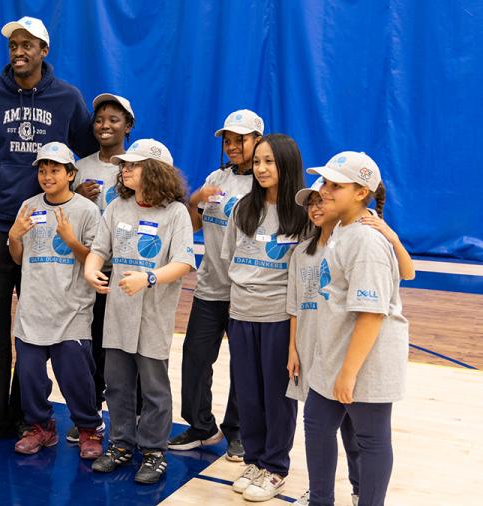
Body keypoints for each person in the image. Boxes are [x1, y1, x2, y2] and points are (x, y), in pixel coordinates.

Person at [0, 16, 98, 445]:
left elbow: (86, 154)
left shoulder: (67, 98)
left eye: (27, 44)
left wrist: (92, 188)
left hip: (50, 230)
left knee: (38, 329)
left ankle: (28, 417)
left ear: (43, 51)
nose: (19, 51)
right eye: (14, 44)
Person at [290, 176, 414, 506]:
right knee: (317, 424)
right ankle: (321, 499)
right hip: (332, 350)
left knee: (368, 438)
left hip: (361, 358)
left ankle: (365, 496)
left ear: (360, 193)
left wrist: (348, 372)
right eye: (322, 188)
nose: (324, 195)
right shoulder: (337, 236)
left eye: (333, 188)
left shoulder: (367, 238)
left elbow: (374, 311)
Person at [85, 139, 196, 484]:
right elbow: (99, 249)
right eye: (124, 165)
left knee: (154, 389)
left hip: (153, 316)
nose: (125, 169)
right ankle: (120, 444)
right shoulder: (118, 206)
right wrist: (92, 269)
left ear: (156, 170)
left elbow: (183, 262)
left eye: (133, 164)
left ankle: (153, 451)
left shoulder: (175, 213)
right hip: (118, 314)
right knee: (117, 385)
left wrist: (149, 278)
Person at [169, 109, 264, 460]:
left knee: (243, 366)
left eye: (240, 139)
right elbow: (193, 224)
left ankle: (237, 430)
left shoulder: (264, 181)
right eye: (228, 139)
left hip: (247, 291)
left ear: (257, 140)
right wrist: (194, 199)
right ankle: (201, 427)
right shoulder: (216, 177)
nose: (232, 145)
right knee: (195, 357)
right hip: (210, 286)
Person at [221, 133, 309, 501]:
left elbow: (306, 272)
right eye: (257, 161)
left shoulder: (303, 214)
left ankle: (275, 467)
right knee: (248, 395)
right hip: (241, 313)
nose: (260, 168)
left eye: (269, 161)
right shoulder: (243, 208)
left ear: (286, 164)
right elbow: (230, 257)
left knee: (277, 396)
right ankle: (255, 460)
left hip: (278, 318)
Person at [8, 142, 103, 459]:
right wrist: (14, 237)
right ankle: (41, 428)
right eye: (43, 171)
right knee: (30, 377)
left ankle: (89, 428)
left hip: (71, 311)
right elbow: (19, 260)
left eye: (55, 170)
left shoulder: (87, 211)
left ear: (71, 174)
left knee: (76, 379)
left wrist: (70, 239)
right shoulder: (29, 206)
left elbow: (93, 259)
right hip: (33, 309)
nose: (47, 176)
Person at [67, 93, 135, 443]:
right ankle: (90, 416)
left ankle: (132, 416)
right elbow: (67, 208)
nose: (105, 125)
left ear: (128, 126)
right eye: (99, 119)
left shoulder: (136, 165)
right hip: (92, 269)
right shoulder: (81, 166)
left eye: (113, 119)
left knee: (124, 346)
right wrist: (76, 191)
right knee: (90, 345)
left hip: (129, 271)